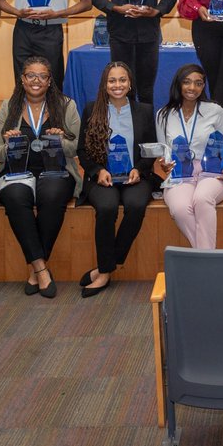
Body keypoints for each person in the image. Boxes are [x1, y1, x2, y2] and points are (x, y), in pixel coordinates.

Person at [0, 56, 81, 299]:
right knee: (15, 196)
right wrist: (8, 145)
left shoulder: (66, 105)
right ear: (22, 79)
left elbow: (76, 148)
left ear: (50, 81)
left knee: (51, 195)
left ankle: (35, 269)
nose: (36, 81)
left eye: (42, 76)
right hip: (17, 172)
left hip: (57, 171)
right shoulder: (10, 106)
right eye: (31, 75)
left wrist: (61, 139)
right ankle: (41, 268)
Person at [76, 61, 157, 297]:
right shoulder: (92, 109)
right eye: (112, 80)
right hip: (103, 176)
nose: (117, 85)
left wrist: (140, 170)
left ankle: (105, 268)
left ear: (130, 84)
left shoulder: (144, 110)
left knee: (136, 205)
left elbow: (150, 149)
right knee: (107, 206)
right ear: (104, 84)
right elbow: (82, 150)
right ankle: (106, 269)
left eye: (122, 80)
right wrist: (97, 171)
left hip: (134, 175)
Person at [154, 64, 223, 248]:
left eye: (198, 83)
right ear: (178, 84)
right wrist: (164, 163)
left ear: (203, 86)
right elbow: (163, 148)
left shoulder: (215, 111)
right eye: (187, 82)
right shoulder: (163, 115)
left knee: (202, 199)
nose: (192, 88)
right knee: (180, 208)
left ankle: (203, 261)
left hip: (212, 170)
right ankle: (206, 255)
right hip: (180, 172)